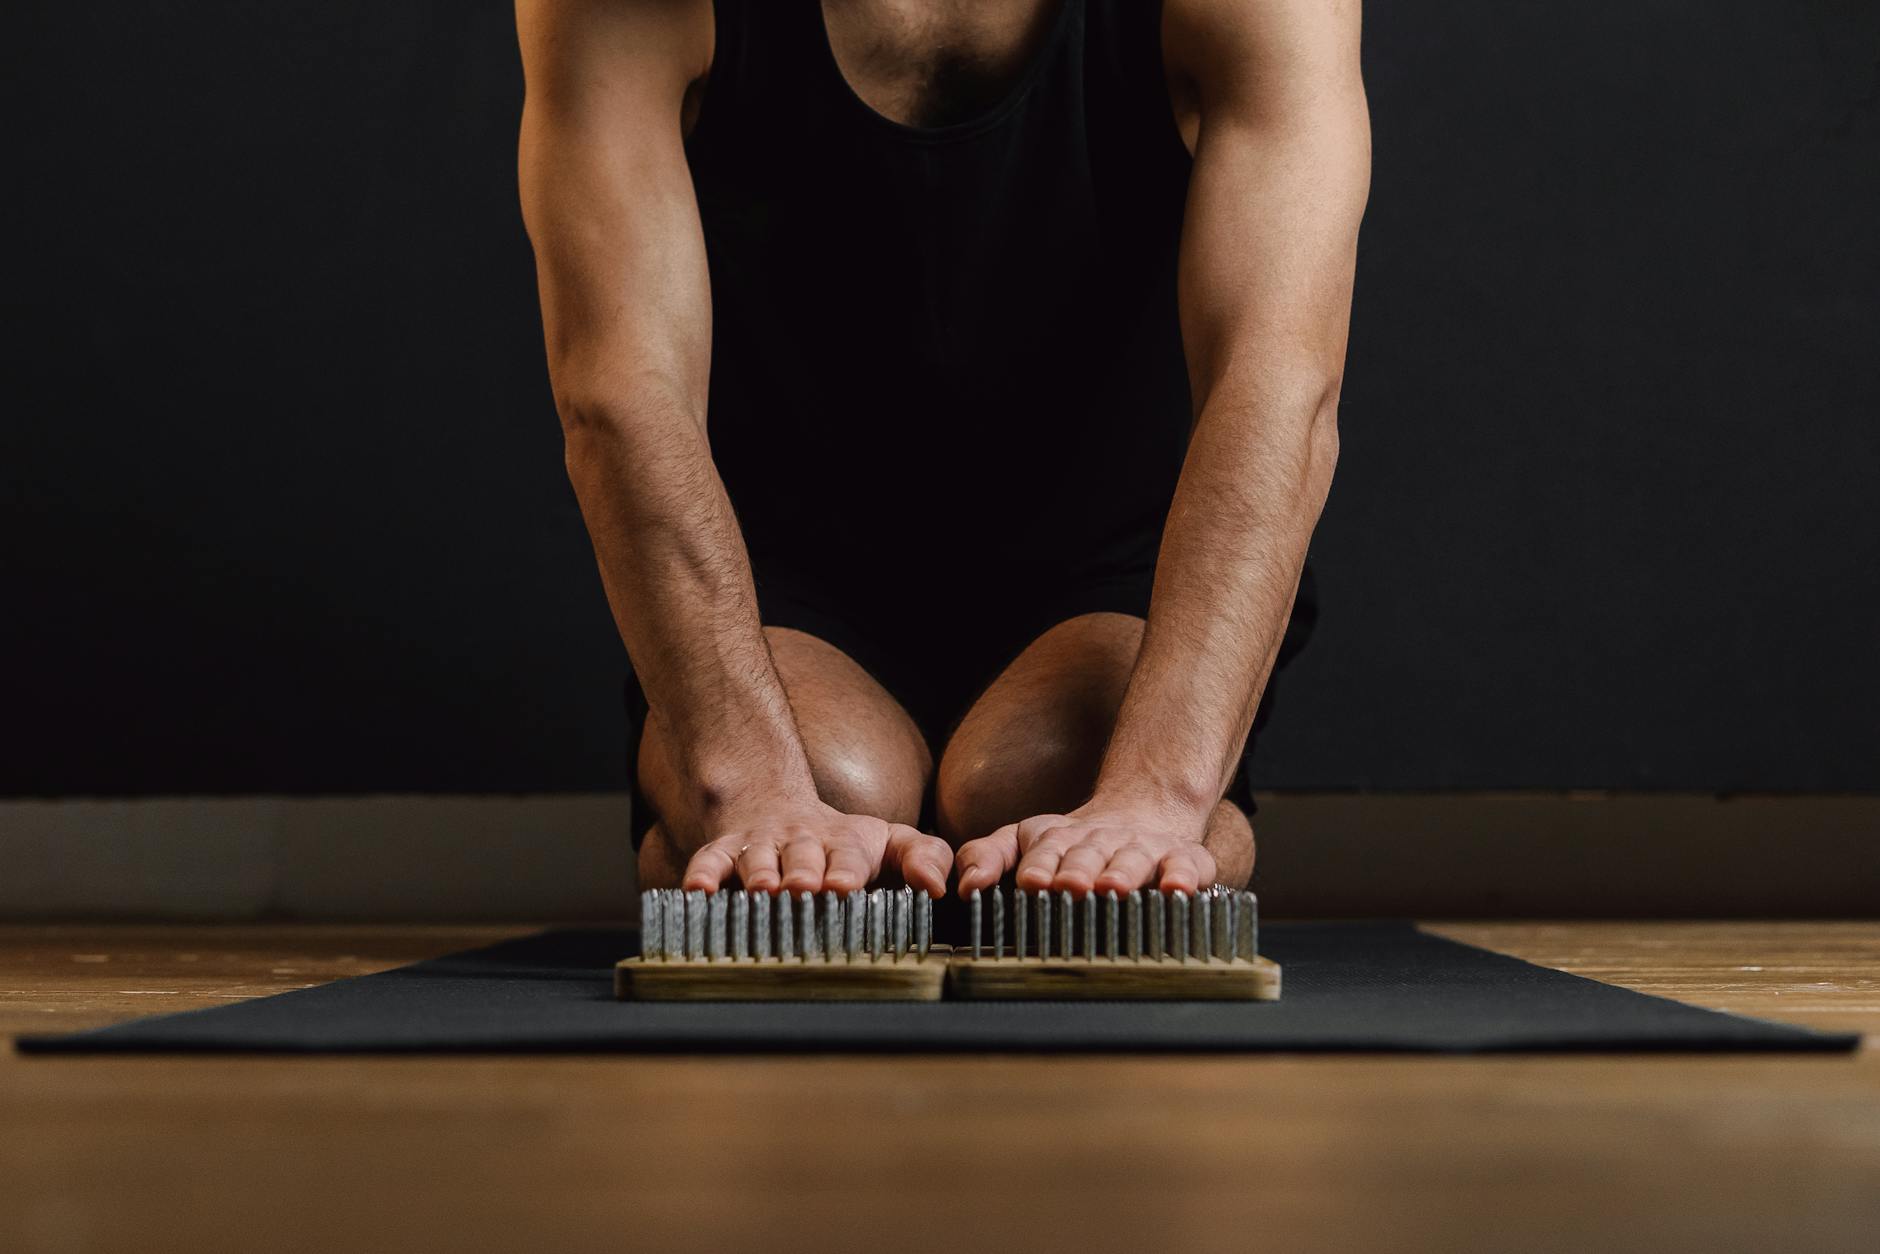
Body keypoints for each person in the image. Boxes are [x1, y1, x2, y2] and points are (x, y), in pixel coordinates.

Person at [514, 0, 1368, 906]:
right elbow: (619, 393)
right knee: (831, 798)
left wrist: (1162, 798)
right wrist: (750, 793)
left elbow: (1279, 382)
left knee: (1045, 790)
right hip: (776, 576)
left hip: (1114, 567)